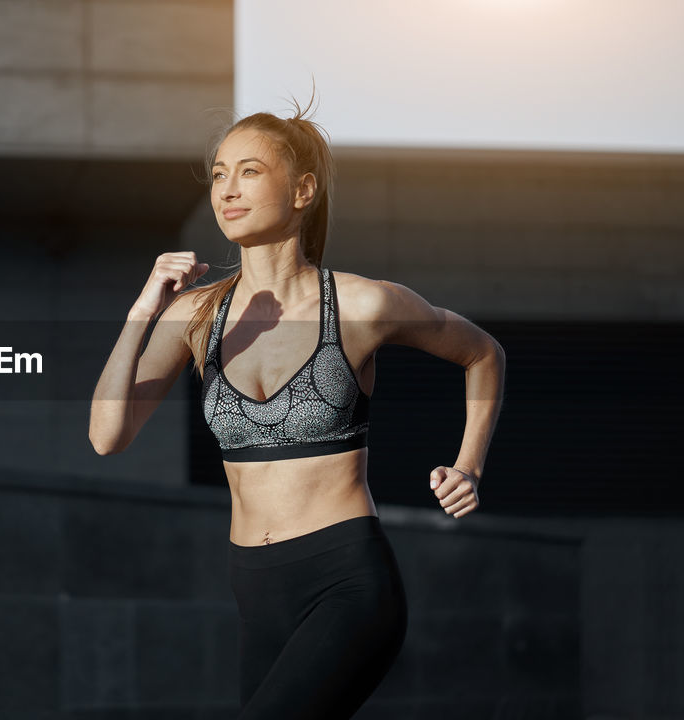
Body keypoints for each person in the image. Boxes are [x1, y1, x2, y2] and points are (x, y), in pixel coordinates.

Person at [88, 93, 506, 718]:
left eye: (250, 172)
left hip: (348, 580)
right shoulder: (196, 314)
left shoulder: (363, 305)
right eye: (220, 174)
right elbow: (107, 434)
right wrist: (143, 312)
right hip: (255, 590)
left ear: (303, 189)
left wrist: (468, 465)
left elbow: (483, 354)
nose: (227, 189)